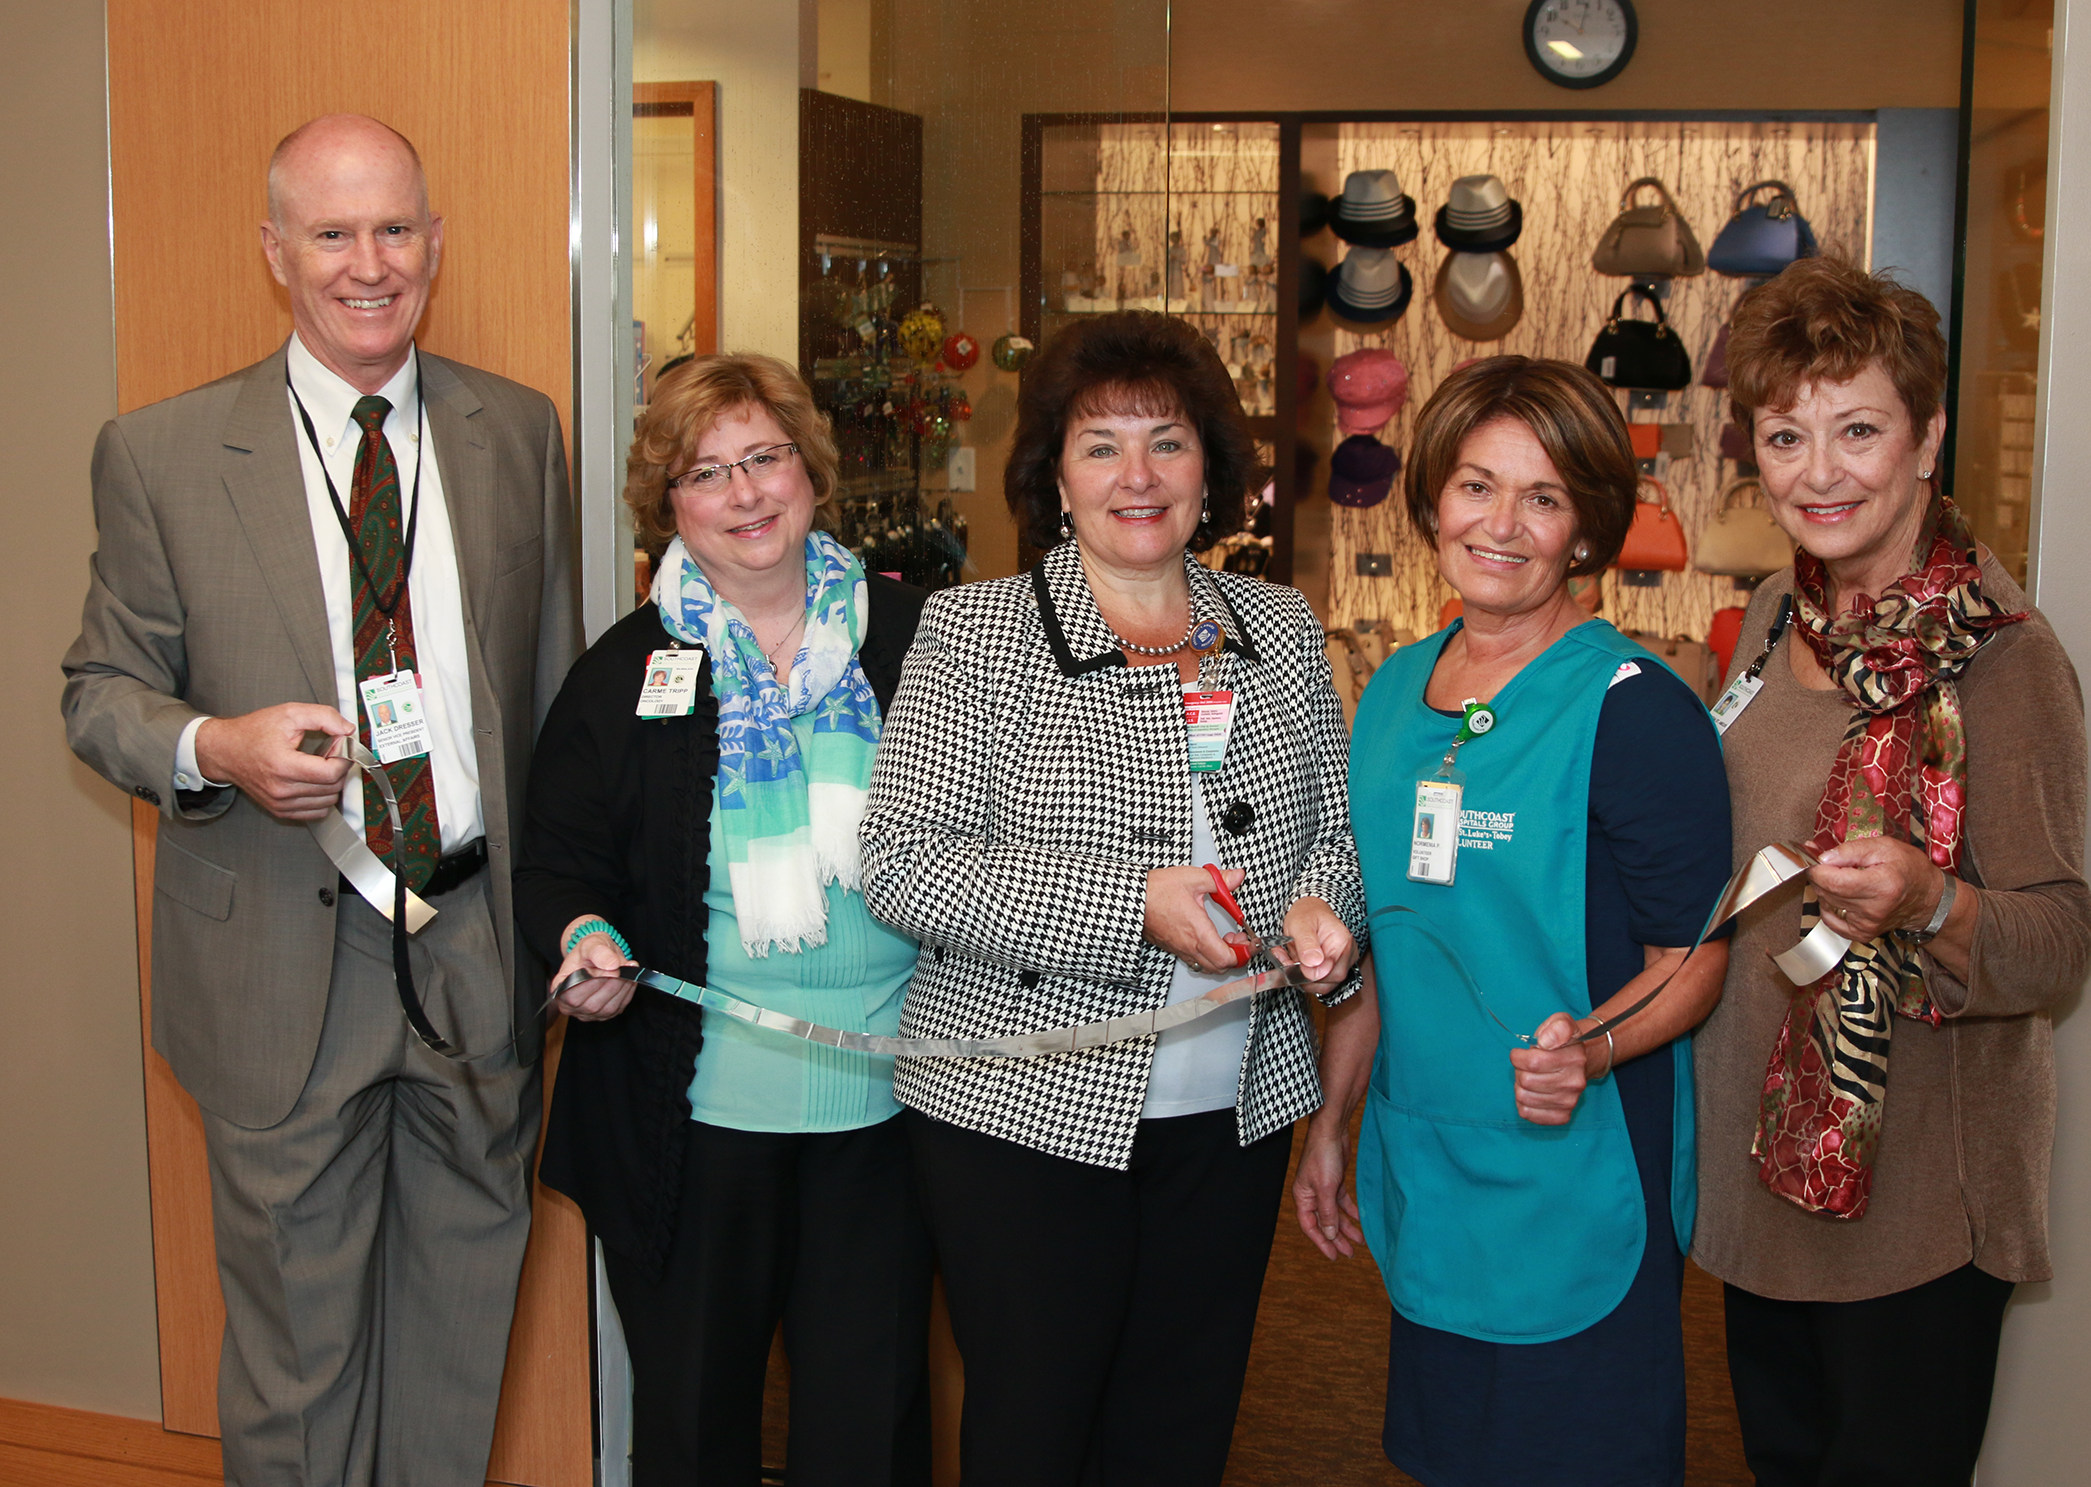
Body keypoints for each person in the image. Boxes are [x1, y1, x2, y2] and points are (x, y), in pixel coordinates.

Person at [61, 114, 578, 1485]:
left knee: (461, 1335)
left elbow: (548, 702)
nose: (369, 263)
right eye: (333, 233)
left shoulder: (519, 431)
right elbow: (99, 694)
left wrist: (563, 917)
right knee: (298, 1365)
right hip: (280, 960)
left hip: (473, 945)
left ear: (436, 245)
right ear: (275, 251)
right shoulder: (162, 454)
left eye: (396, 228)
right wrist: (216, 745)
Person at [858, 309, 1364, 1487]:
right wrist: (1129, 903)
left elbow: (1334, 834)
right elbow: (902, 860)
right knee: (1035, 1436)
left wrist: (1319, 908)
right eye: (1102, 445)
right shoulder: (974, 634)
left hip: (1232, 1116)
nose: (1138, 475)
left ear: (1210, 471)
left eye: (1167, 442)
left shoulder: (1280, 628)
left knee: (1179, 1433)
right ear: (1056, 476)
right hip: (1020, 1117)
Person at [1693, 256, 2091, 1487]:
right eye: (1786, 435)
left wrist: (1931, 899)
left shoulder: (2005, 659)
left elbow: (2061, 943)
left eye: (1858, 430)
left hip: (1916, 1205)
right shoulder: (1777, 610)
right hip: (1760, 1171)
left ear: (1927, 437)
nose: (1819, 471)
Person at [1306, 356, 1733, 1487]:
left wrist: (1591, 1049)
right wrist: (1331, 1123)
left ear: (1586, 529)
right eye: (1476, 486)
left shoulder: (1638, 712)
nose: (1501, 525)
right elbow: (1382, 941)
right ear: (1432, 501)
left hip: (1575, 1168)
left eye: (1542, 498)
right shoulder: (1392, 692)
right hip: (1430, 1166)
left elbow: (1695, 959)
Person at [516, 354, 932, 1486]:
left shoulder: (925, 643)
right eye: (706, 473)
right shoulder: (623, 673)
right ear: (668, 505)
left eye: (765, 458)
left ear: (811, 469)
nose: (745, 494)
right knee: (695, 1428)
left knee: (870, 1428)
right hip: (690, 1122)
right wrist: (584, 939)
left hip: (892, 1110)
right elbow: (557, 866)